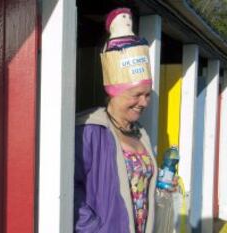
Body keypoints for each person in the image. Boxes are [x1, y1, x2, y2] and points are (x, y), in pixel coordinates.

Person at [74, 8, 158, 233]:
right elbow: (68, 186)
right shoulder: (90, 130)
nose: (144, 102)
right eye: (136, 95)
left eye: (147, 94)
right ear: (115, 92)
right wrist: (93, 228)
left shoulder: (140, 133)